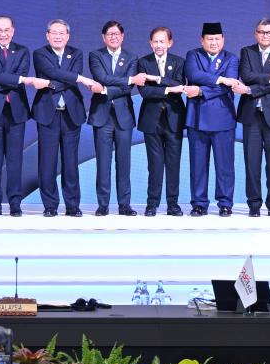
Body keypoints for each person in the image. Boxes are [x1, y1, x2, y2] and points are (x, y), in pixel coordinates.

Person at [0, 15, 48, 217]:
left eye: (6, 30)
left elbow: (9, 77)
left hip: (16, 111)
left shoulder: (23, 51)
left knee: (15, 160)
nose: (3, 34)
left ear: (13, 31)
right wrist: (19, 79)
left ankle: (15, 203)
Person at [31, 19, 102, 217]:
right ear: (47, 35)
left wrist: (50, 84)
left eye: (62, 33)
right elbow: (52, 72)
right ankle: (50, 206)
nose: (58, 36)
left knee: (70, 162)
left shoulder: (76, 53)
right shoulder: (39, 53)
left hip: (72, 114)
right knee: (47, 162)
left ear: (68, 36)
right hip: (47, 114)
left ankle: (72, 206)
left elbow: (64, 76)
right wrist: (80, 79)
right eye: (54, 33)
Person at [184, 22, 247, 217]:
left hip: (223, 117)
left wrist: (200, 90)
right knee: (197, 165)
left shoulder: (231, 59)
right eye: (209, 39)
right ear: (201, 40)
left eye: (217, 39)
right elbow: (193, 74)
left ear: (223, 40)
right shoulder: (193, 55)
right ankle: (199, 203)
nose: (213, 42)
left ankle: (225, 203)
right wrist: (220, 79)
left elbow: (228, 86)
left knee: (225, 165)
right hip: (197, 118)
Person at [236, 17, 270, 217]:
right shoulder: (247, 52)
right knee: (252, 163)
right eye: (261, 32)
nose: (265, 35)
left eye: (269, 32)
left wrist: (250, 90)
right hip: (251, 115)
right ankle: (254, 205)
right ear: (255, 33)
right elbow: (247, 75)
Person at [87, 20, 141, 216]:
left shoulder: (132, 57)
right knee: (103, 162)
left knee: (124, 162)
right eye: (110, 34)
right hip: (102, 115)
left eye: (117, 34)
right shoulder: (95, 55)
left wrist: (104, 90)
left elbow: (128, 88)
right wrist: (128, 79)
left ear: (122, 36)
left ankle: (124, 204)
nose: (113, 37)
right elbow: (101, 77)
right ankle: (103, 205)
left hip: (123, 116)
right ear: (104, 37)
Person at [136, 26, 188, 217]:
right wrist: (168, 89)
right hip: (152, 120)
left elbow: (180, 84)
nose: (159, 45)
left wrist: (156, 79)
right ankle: (152, 204)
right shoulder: (143, 62)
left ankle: (173, 204)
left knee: (173, 164)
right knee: (154, 164)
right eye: (155, 41)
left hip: (174, 118)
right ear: (150, 43)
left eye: (162, 41)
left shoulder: (179, 62)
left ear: (170, 43)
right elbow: (145, 91)